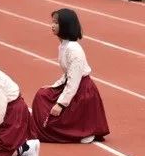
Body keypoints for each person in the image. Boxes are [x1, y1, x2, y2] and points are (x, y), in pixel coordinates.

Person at [30, 9, 110, 143]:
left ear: (66, 25)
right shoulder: (63, 46)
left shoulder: (73, 49)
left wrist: (60, 104)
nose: (52, 25)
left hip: (82, 92)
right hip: (74, 86)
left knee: (48, 103)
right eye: (53, 22)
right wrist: (54, 86)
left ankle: (82, 131)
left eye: (56, 23)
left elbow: (74, 80)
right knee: (42, 94)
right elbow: (67, 74)